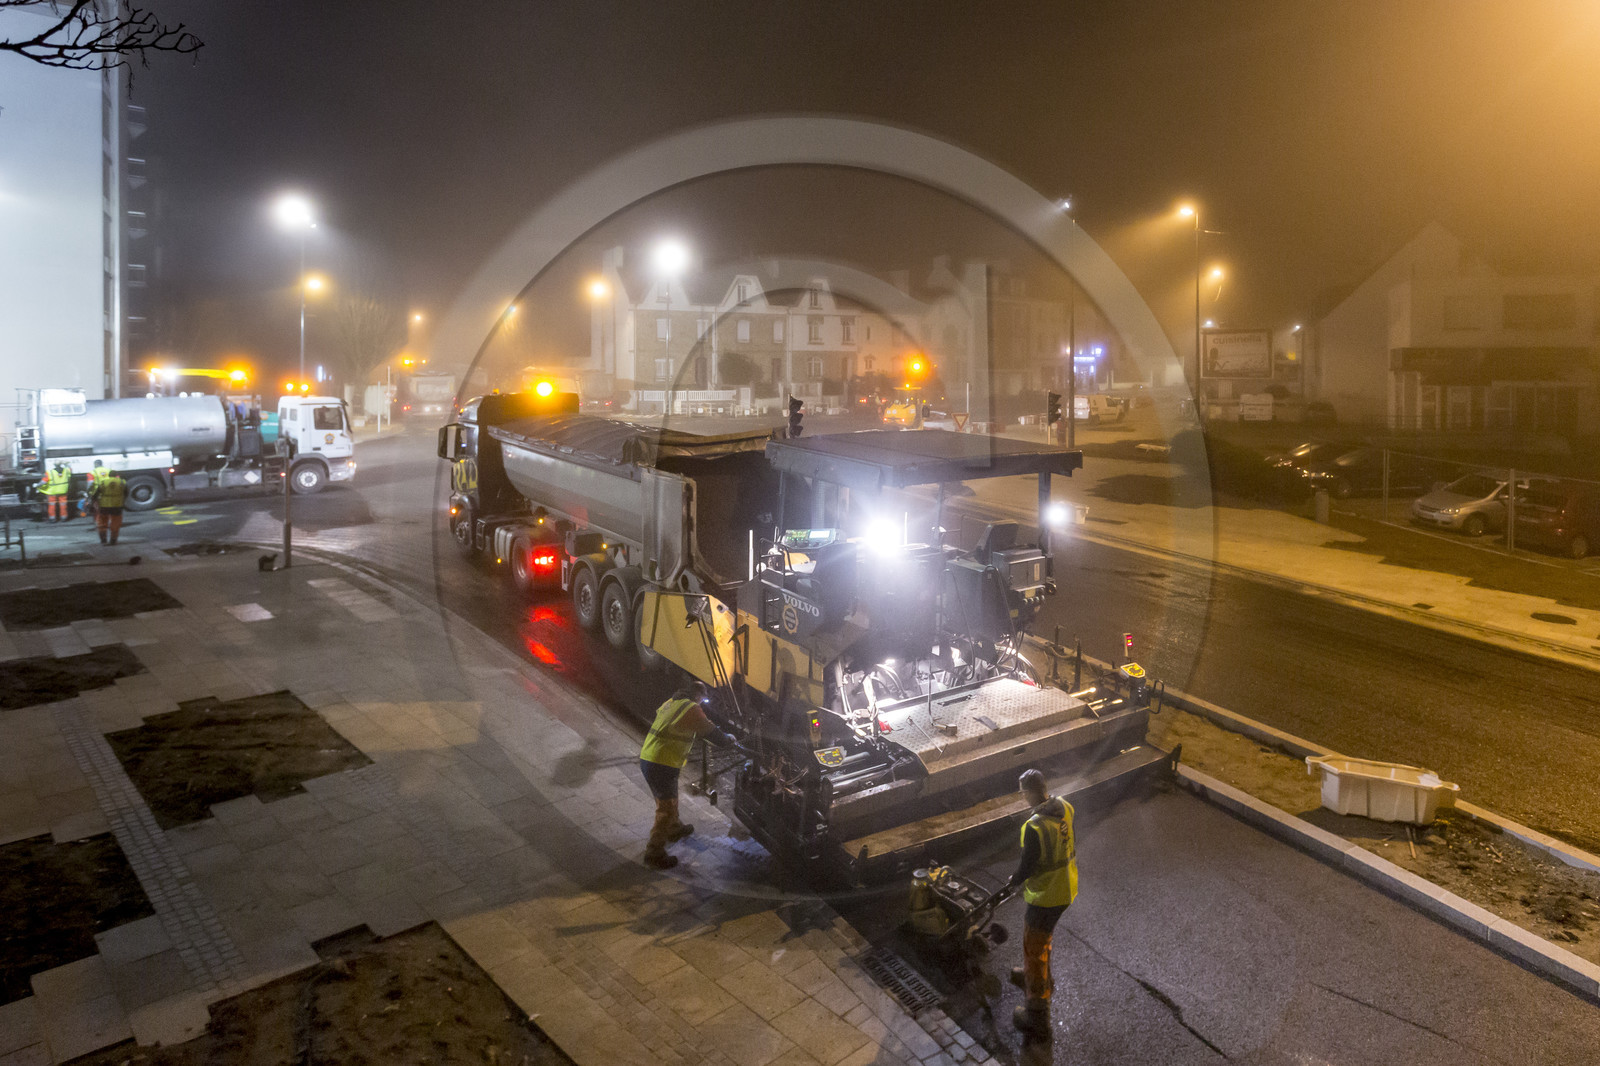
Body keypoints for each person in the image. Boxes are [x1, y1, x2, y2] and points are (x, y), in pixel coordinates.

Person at [1005, 768, 1078, 1035]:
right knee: (1042, 942)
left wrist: (1014, 880)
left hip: (1047, 896)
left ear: (1028, 792)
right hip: (1066, 887)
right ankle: (1033, 977)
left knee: (1034, 950)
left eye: (1022, 792)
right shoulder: (1065, 807)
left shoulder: (1035, 826)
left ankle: (1038, 1016)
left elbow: (1027, 866)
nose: (1022, 797)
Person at [638, 681, 736, 869]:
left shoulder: (671, 702)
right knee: (665, 808)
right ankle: (654, 852)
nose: (702, 703)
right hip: (661, 762)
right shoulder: (691, 708)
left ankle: (674, 829)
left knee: (669, 799)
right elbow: (711, 732)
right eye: (703, 699)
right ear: (698, 696)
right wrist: (727, 740)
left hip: (651, 758)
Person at [88, 466, 127, 545]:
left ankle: (103, 540)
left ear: (108, 475)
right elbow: (126, 493)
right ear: (116, 475)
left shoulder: (103, 482)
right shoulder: (122, 482)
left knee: (102, 522)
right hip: (117, 505)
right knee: (116, 522)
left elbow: (96, 494)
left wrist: (93, 501)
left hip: (104, 505)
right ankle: (113, 540)